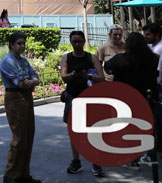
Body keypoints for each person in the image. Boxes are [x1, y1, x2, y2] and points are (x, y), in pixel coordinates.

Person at [60, 31, 105, 177]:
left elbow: (101, 77)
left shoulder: (91, 57)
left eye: (79, 41)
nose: (77, 44)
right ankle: (76, 160)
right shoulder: (66, 57)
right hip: (73, 96)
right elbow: (64, 77)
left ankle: (95, 161)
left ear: (84, 41)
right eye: (74, 41)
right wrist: (73, 74)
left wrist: (88, 76)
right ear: (70, 42)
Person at [0, 32, 41, 183]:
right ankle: (11, 175)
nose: (22, 46)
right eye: (19, 43)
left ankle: (24, 174)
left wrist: (31, 81)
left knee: (29, 135)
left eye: (23, 43)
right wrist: (32, 81)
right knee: (19, 137)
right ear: (11, 44)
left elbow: (34, 76)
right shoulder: (7, 61)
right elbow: (21, 83)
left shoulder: (23, 61)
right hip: (15, 98)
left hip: (26, 98)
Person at [105, 32, 159, 100]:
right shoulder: (153, 58)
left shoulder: (120, 59)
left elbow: (108, 68)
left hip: (125, 95)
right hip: (147, 94)